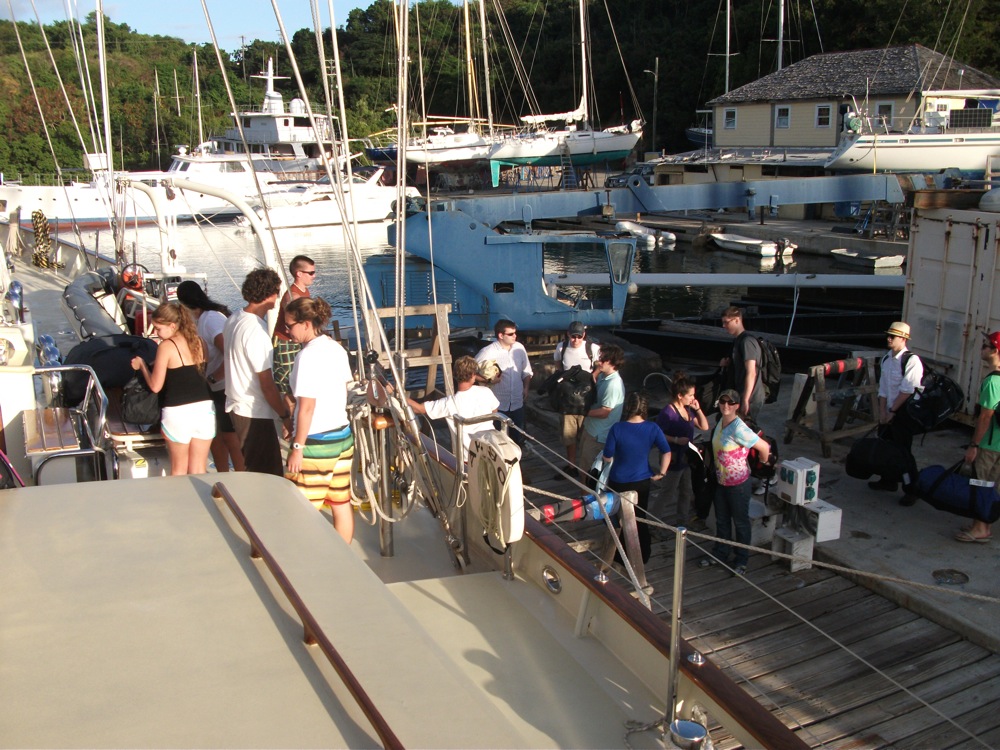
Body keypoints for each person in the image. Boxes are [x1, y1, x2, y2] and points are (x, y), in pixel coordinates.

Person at [283, 296, 356, 543]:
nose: (287, 331)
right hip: (342, 435)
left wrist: (297, 447)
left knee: (302, 510)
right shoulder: (336, 348)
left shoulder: (306, 357)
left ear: (305, 324)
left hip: (317, 442)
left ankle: (307, 561)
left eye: (290, 326)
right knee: (340, 502)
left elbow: (307, 408)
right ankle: (343, 558)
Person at [130, 302, 215, 476]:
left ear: (172, 326)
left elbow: (155, 386)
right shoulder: (201, 343)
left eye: (158, 328)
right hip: (204, 410)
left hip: (178, 413)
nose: (156, 333)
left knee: (178, 471)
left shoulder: (166, 347)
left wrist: (142, 366)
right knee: (199, 469)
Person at [223, 267, 290, 476]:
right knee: (266, 473)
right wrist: (284, 415)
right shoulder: (256, 332)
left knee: (252, 465)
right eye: (277, 292)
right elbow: (267, 384)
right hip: (254, 411)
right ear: (270, 295)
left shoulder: (234, 319)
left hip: (236, 405)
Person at [699, 388, 771, 577]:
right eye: (723, 402)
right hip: (721, 481)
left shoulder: (739, 428)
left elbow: (764, 447)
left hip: (738, 484)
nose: (726, 405)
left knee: (740, 522)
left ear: (737, 406)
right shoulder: (720, 422)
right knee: (722, 520)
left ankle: (741, 560)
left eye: (730, 403)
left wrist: (763, 463)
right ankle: (720, 553)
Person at [176, 280, 245, 473]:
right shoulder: (200, 320)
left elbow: (230, 352)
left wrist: (214, 377)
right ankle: (223, 473)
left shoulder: (211, 319)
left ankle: (241, 474)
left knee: (230, 436)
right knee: (215, 435)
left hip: (224, 386)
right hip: (213, 387)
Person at [603, 392, 671, 564]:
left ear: (628, 407)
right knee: (640, 517)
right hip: (642, 481)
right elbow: (666, 451)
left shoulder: (617, 428)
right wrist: (662, 473)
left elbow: (607, 456)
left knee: (619, 519)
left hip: (619, 480)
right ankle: (643, 554)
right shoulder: (653, 428)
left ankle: (620, 556)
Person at [955, 331, 1000, 543]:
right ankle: (984, 526)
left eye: (985, 345)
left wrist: (974, 445)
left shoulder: (993, 382)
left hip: (989, 445)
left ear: (995, 351)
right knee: (993, 487)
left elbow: (985, 417)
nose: (981, 348)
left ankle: (979, 528)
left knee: (981, 485)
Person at [408, 355, 499, 458]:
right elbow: (495, 411)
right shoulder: (486, 392)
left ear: (455, 374)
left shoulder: (450, 403)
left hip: (469, 457)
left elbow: (419, 409)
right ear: (473, 375)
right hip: (492, 451)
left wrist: (398, 394)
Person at [872, 321, 923, 503]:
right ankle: (888, 480)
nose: (889, 339)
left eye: (892, 336)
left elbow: (907, 390)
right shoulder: (887, 359)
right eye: (888, 335)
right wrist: (882, 412)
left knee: (903, 453)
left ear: (903, 339)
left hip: (903, 415)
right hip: (888, 412)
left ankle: (912, 489)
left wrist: (892, 412)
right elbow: (883, 389)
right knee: (886, 448)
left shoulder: (912, 361)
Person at [654, 371, 710, 527]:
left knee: (686, 491)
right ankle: (653, 524)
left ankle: (682, 523)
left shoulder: (688, 410)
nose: (693, 398)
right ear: (680, 395)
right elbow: (657, 434)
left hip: (686, 457)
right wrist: (676, 440)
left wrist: (698, 409)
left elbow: (704, 426)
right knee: (667, 492)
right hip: (672, 458)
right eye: (690, 395)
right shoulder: (668, 413)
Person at [475, 319, 532, 445]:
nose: (515, 336)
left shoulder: (519, 348)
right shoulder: (488, 351)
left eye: (515, 333)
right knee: (498, 443)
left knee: (517, 441)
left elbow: (527, 371)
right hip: (498, 406)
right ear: (501, 335)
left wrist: (526, 388)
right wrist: (488, 379)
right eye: (511, 334)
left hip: (517, 403)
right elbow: (469, 373)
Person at [553, 321, 601, 469]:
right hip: (567, 400)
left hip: (586, 399)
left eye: (579, 337)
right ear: (568, 335)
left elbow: (600, 365)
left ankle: (585, 466)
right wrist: (561, 376)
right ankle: (571, 465)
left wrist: (593, 376)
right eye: (573, 336)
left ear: (584, 335)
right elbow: (557, 362)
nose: (576, 340)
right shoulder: (561, 347)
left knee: (587, 435)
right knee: (569, 436)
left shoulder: (592, 348)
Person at [578, 344, 626, 477]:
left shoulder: (613, 385)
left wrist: (582, 412)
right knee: (582, 465)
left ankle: (585, 491)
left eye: (603, 360)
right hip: (590, 429)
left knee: (587, 472)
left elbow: (605, 412)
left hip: (598, 435)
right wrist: (597, 371)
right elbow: (591, 382)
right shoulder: (603, 376)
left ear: (612, 363)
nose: (599, 362)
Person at [272, 255, 316, 395]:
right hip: (286, 341)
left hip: (298, 339)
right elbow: (292, 311)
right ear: (299, 274)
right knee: (288, 381)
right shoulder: (292, 295)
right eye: (311, 273)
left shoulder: (305, 291)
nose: (314, 276)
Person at [720, 306, 764, 421]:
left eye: (726, 322)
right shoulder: (737, 341)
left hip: (751, 396)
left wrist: (745, 399)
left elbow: (751, 372)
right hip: (740, 393)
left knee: (744, 426)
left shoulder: (747, 342)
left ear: (737, 320)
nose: (724, 326)